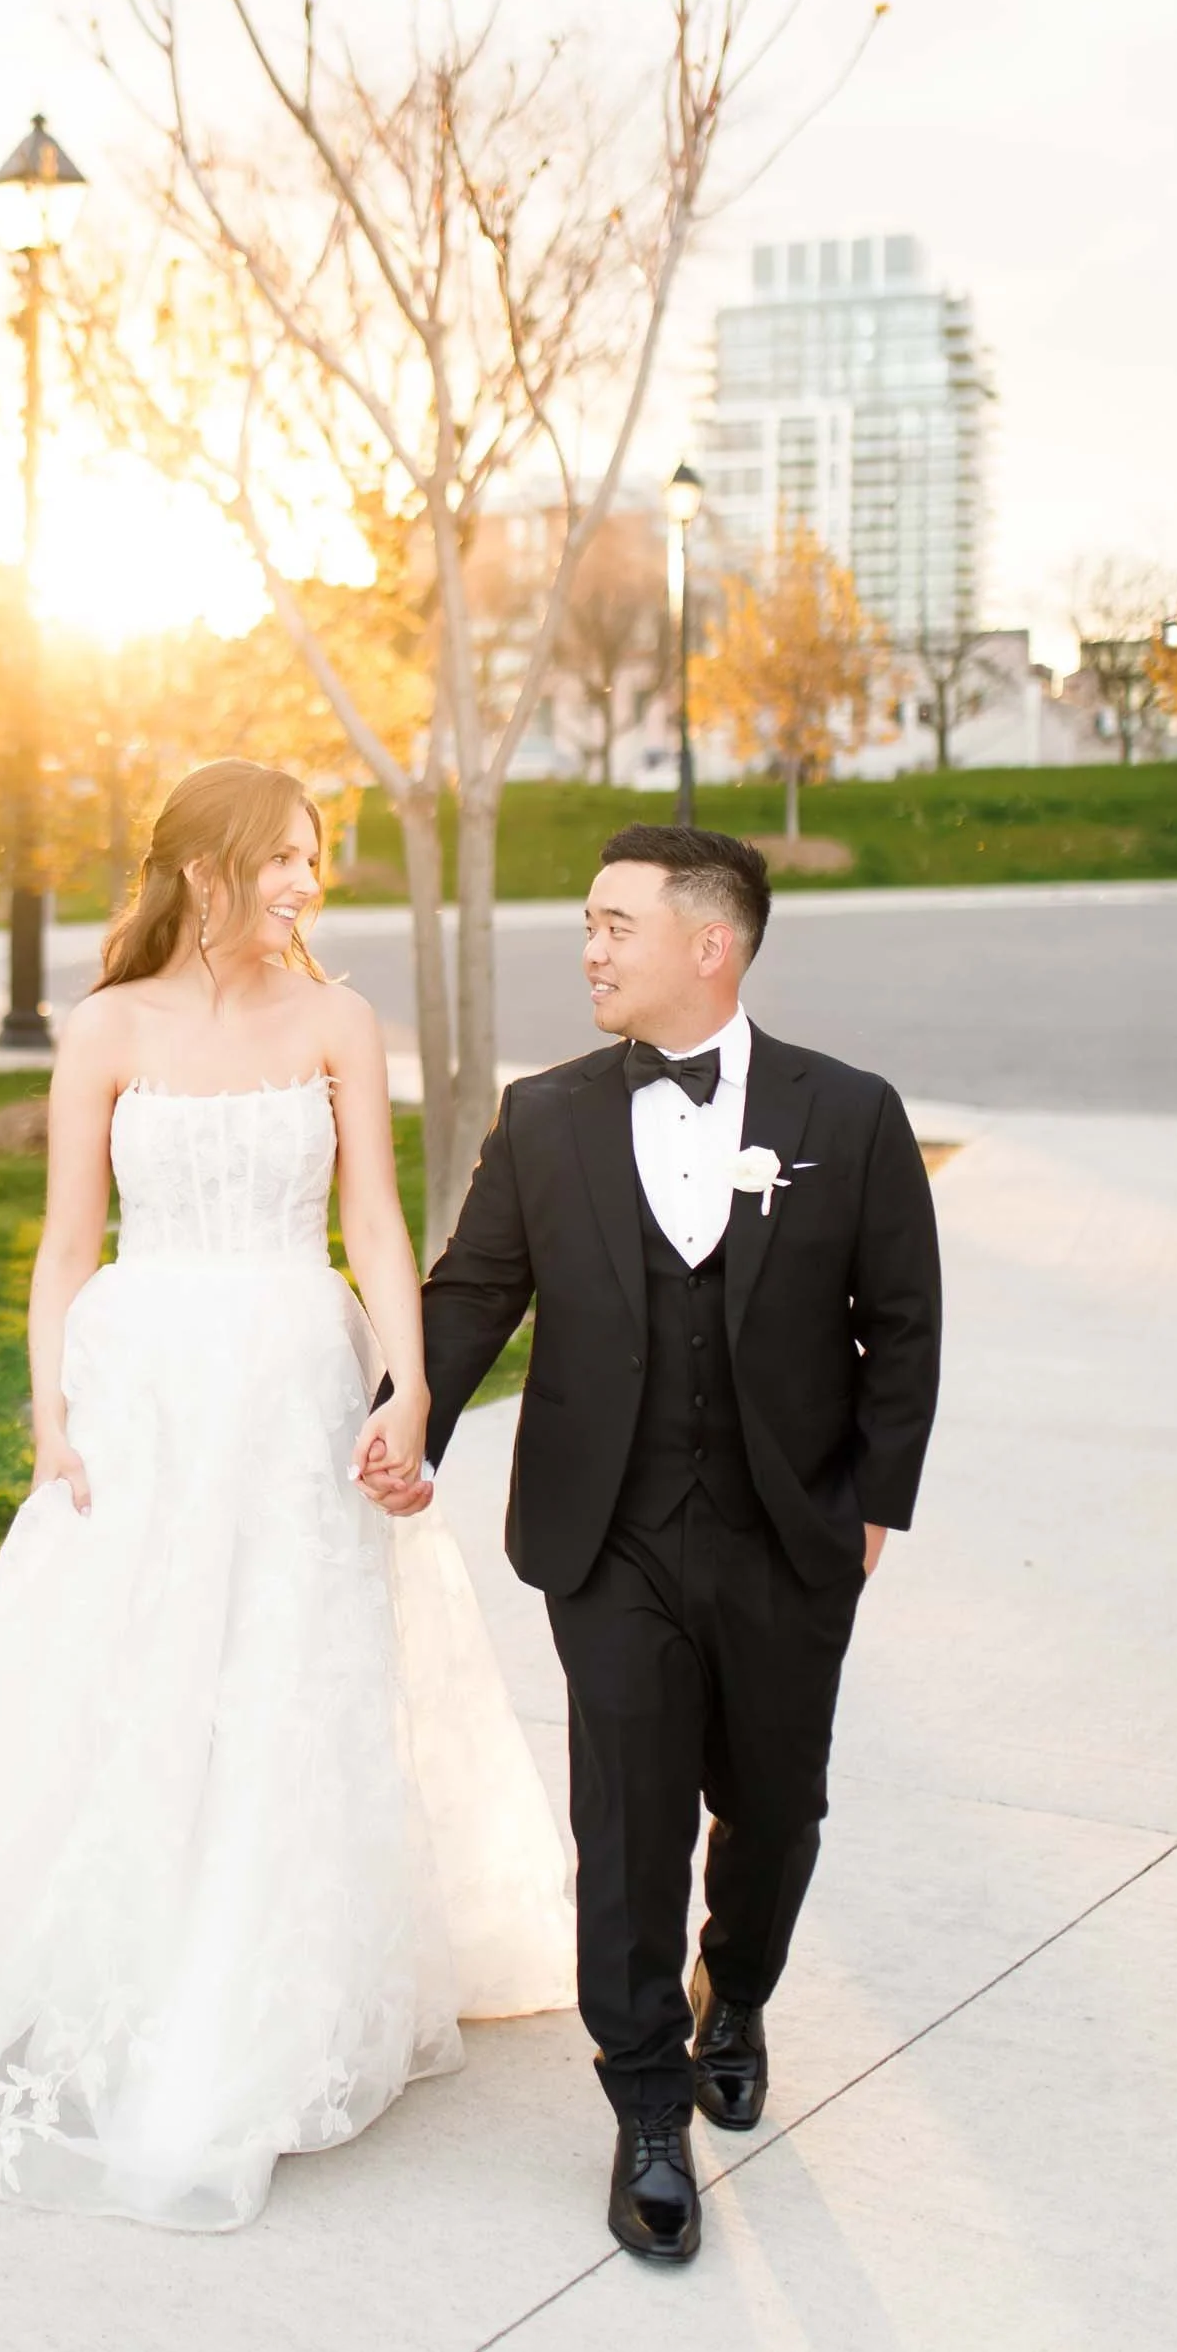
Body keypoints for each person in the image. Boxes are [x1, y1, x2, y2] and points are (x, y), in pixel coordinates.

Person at [0, 759, 574, 2232]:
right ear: (205, 868)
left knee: (283, 1674)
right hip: (144, 1381)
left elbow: (373, 1220)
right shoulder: (106, 1026)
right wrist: (49, 1413)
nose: (307, 885)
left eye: (315, 860)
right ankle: (120, 1956)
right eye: (284, 859)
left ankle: (266, 1985)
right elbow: (66, 1241)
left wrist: (405, 1385)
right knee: (132, 1666)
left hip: (294, 1375)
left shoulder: (336, 1020)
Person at [364, 825, 941, 2265]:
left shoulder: (849, 1112)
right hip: (606, 1530)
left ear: (711, 943)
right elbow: (473, 1290)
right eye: (587, 924)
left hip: (787, 1530)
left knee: (777, 1807)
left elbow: (901, 1323)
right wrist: (406, 1422)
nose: (590, 951)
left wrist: (874, 1502)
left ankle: (731, 1995)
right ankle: (643, 2110)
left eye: (615, 926)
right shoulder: (544, 1116)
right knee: (624, 1821)